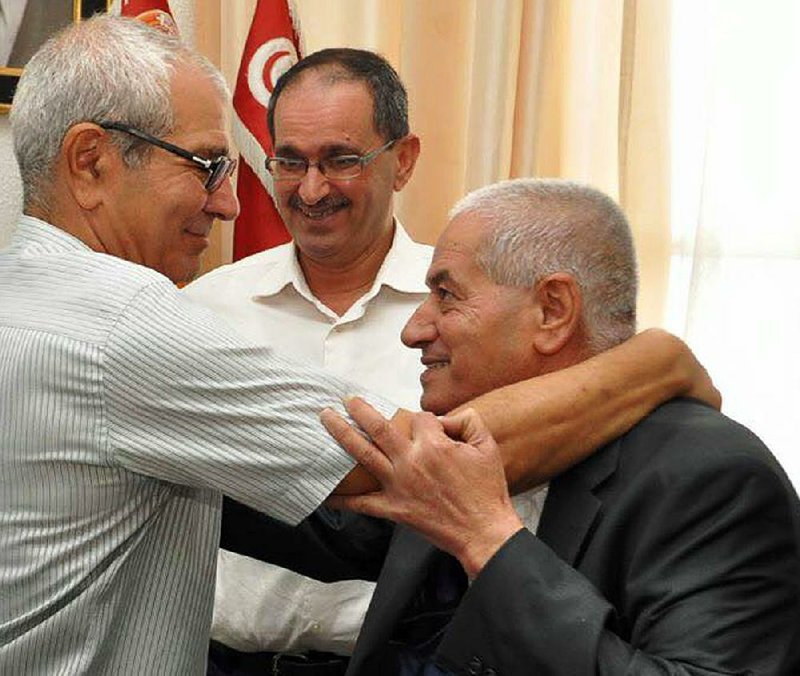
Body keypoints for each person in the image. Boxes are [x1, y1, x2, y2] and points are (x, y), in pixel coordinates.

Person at [0, 23, 716, 674]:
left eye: (339, 159)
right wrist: (655, 362)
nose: (228, 204)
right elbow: (418, 469)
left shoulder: (24, 297)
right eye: (207, 165)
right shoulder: (128, 324)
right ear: (90, 162)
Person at [322, 179, 800, 674]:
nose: (413, 330)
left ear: (553, 310)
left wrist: (488, 541)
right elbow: (325, 522)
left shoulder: (715, 480)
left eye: (446, 295)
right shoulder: (465, 440)